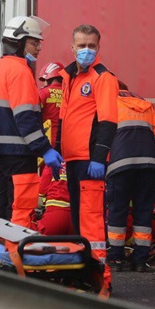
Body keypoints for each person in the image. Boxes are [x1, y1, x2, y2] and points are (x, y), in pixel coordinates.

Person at [0, 16, 63, 227]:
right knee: (21, 208)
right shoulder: (20, 72)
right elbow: (26, 117)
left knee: (0, 208)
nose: (39, 48)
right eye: (34, 42)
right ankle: (16, 253)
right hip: (19, 153)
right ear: (18, 43)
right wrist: (44, 149)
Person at [59, 24, 118, 269]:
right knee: (78, 217)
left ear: (98, 47)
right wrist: (58, 153)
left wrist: (99, 156)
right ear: (72, 47)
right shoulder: (68, 77)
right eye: (81, 45)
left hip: (89, 160)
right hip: (72, 159)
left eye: (91, 46)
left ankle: (98, 271)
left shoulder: (103, 78)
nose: (86, 50)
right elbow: (63, 118)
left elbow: (108, 120)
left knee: (91, 218)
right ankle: (83, 266)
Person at [102, 81, 155, 271]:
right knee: (143, 214)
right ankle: (139, 261)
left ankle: (115, 259)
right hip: (149, 166)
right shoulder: (145, 105)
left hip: (120, 167)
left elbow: (102, 138)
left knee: (118, 212)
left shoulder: (109, 104)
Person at [38, 61, 65, 151]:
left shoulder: (43, 92)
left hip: (48, 141)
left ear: (49, 77)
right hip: (67, 142)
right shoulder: (69, 93)